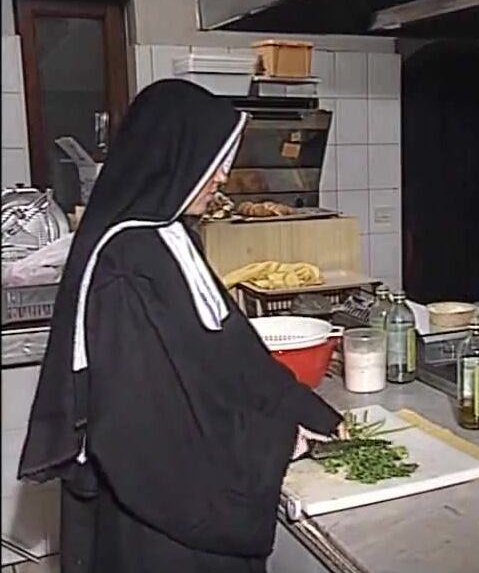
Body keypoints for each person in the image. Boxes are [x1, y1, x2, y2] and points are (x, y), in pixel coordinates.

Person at [17, 79, 346, 573]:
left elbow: (232, 352)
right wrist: (274, 441)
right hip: (159, 528)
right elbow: (145, 427)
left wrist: (310, 412)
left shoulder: (169, 236)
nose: (223, 176)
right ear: (172, 158)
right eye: (215, 161)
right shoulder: (124, 262)